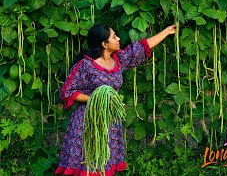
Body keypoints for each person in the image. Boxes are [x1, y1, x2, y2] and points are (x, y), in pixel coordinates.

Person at [54, 24, 176, 176]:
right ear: (104, 44)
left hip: (110, 123)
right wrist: (96, 98)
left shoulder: (118, 59)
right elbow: (67, 91)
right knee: (88, 165)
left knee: (104, 165)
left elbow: (140, 48)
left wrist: (166, 31)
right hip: (88, 123)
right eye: (114, 37)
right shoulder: (85, 65)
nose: (118, 39)